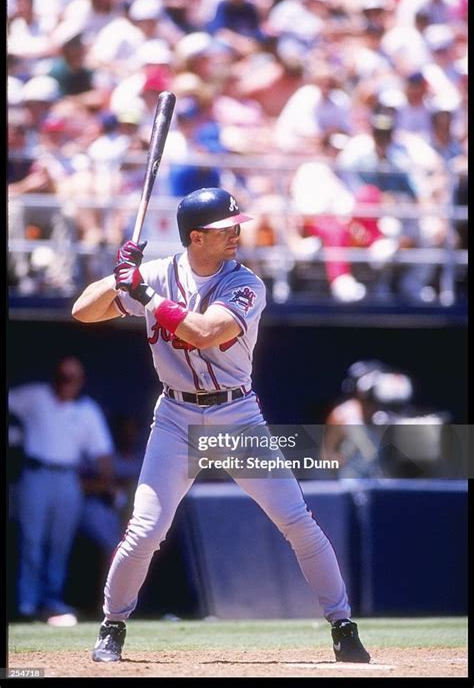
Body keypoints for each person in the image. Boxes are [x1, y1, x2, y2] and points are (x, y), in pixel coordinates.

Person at [72, 186, 370, 664]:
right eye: (224, 229)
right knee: (145, 530)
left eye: (235, 226)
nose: (236, 233)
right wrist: (116, 278)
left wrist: (142, 292)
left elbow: (206, 332)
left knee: (297, 521)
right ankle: (112, 627)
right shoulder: (159, 273)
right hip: (175, 416)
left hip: (237, 416)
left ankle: (343, 626)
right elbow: (83, 311)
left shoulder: (245, 282)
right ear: (195, 237)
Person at [8, 356, 115, 625]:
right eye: (62, 377)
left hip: (68, 477)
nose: (67, 383)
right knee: (31, 540)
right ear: (54, 376)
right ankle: (26, 602)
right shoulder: (35, 395)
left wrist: (108, 485)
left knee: (60, 542)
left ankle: (52, 601)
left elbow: (102, 453)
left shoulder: (87, 410)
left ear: (81, 382)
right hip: (36, 473)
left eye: (73, 378)